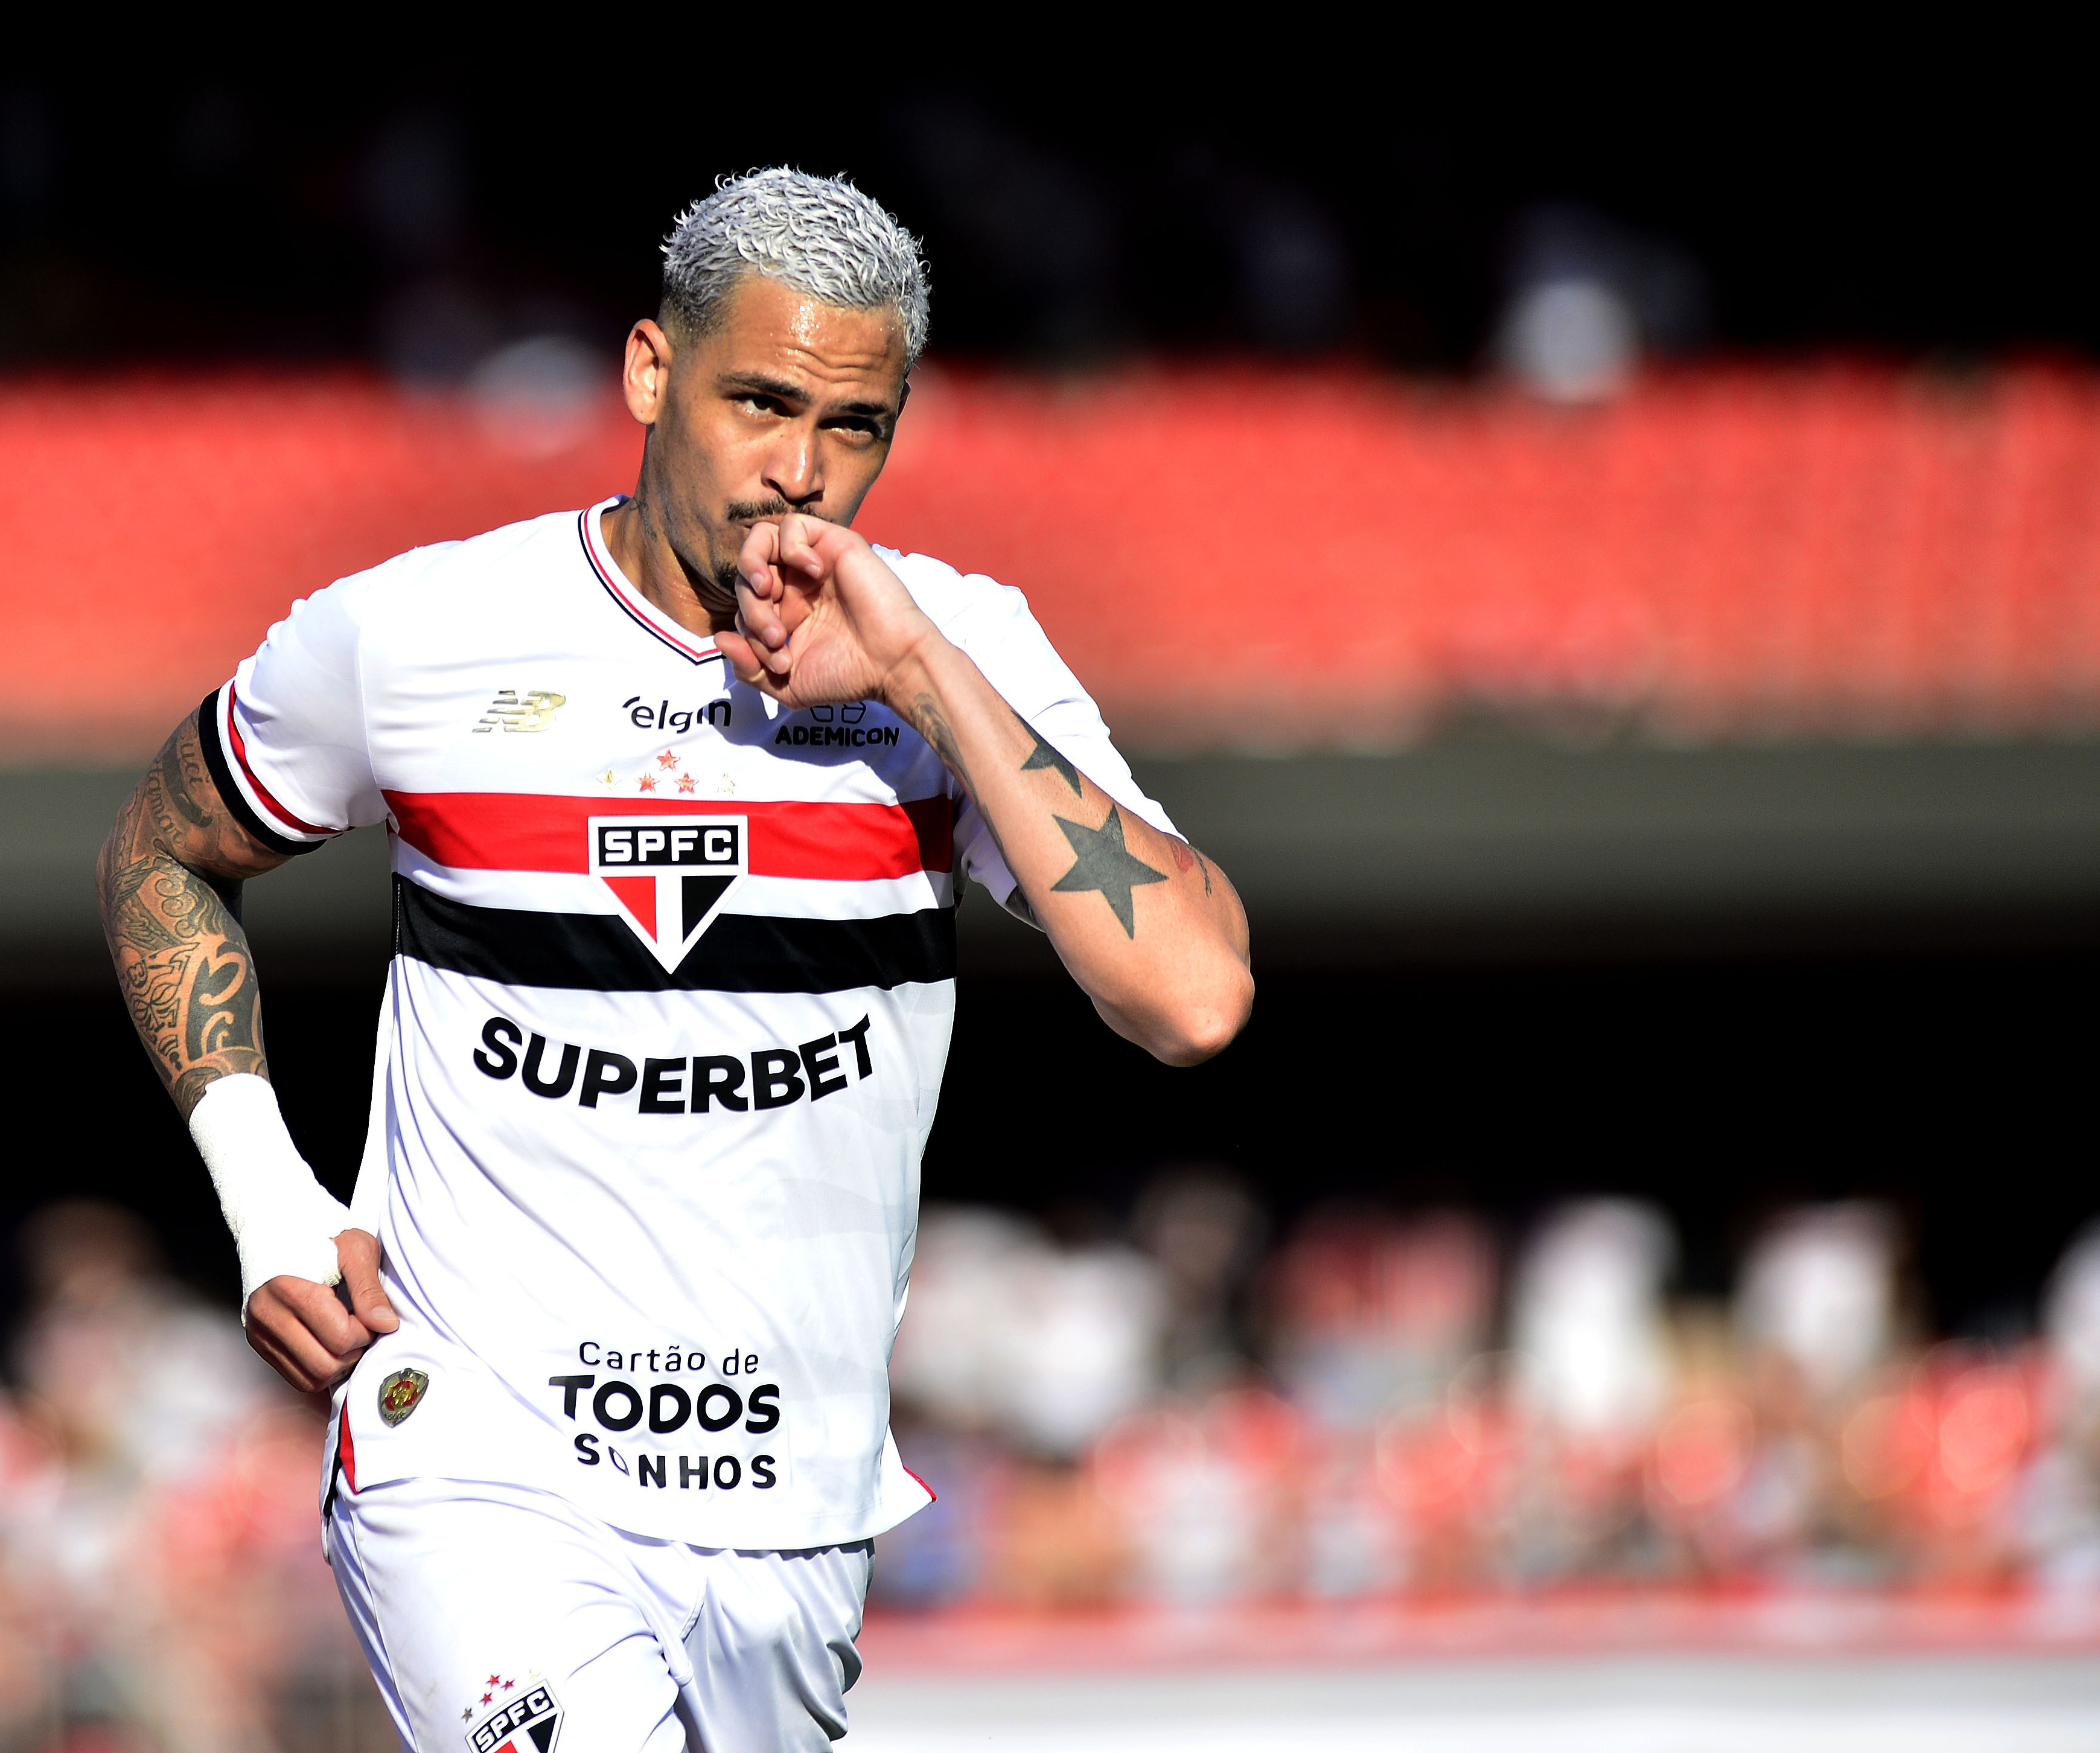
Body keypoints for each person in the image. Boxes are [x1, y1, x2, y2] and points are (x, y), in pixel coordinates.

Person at [96, 167, 1253, 1752]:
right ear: (651, 371)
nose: (800, 470)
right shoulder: (416, 635)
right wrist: (265, 1196)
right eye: (759, 402)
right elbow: (161, 852)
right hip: (475, 1458)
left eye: (853, 427)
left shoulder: (957, 651)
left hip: (796, 1515)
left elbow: (1192, 997)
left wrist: (920, 674)